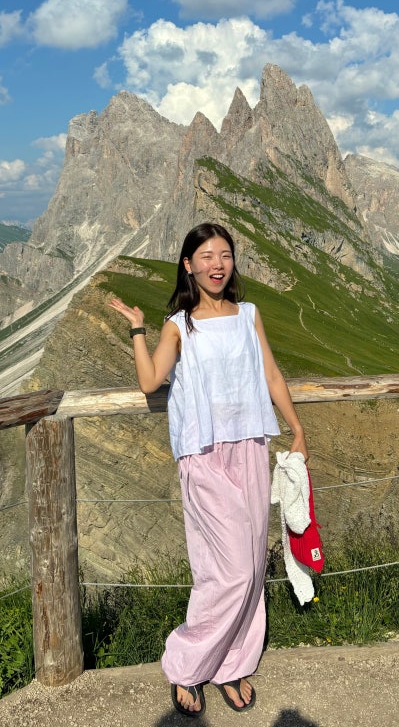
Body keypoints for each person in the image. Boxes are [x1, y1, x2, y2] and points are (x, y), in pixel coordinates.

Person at [108, 221, 308, 717]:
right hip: (203, 453)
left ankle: (233, 662)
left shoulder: (249, 315)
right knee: (226, 568)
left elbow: (271, 373)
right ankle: (187, 662)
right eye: (207, 257)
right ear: (188, 265)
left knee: (250, 562)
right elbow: (151, 380)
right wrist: (137, 328)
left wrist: (296, 428)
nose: (217, 265)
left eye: (225, 255)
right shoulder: (179, 324)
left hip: (250, 446)